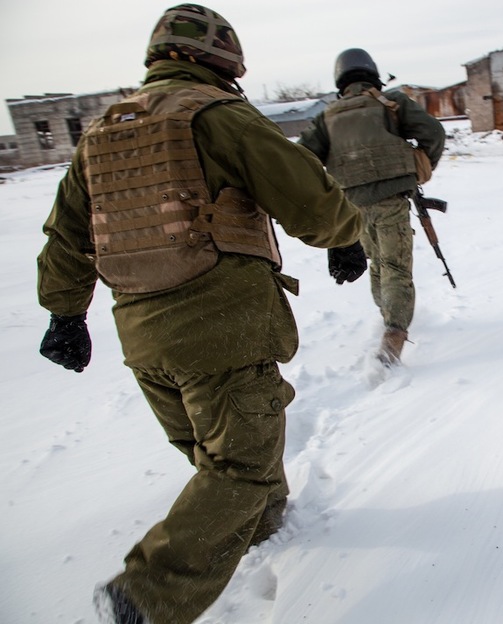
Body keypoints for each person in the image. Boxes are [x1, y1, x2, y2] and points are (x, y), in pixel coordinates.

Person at [36, 5, 367, 623]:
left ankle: (270, 530)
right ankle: (145, 598)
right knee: (238, 465)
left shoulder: (101, 133)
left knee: (215, 452)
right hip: (225, 329)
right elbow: (309, 196)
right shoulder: (218, 116)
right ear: (223, 60)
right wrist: (346, 237)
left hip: (144, 340)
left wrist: (64, 314)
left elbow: (66, 236)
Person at [298, 48, 446, 365]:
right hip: (391, 199)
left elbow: (302, 160)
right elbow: (433, 133)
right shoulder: (391, 103)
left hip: (352, 206)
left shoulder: (327, 116)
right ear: (372, 74)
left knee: (377, 263)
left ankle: (387, 317)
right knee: (395, 267)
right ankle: (393, 336)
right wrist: (420, 166)